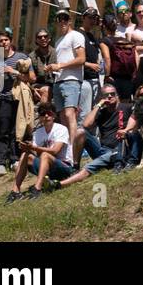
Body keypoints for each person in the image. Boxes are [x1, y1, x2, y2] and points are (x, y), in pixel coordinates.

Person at [60, 81, 133, 186]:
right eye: (106, 95)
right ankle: (75, 167)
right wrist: (99, 105)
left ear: (117, 95)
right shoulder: (101, 112)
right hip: (102, 149)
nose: (110, 97)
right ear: (102, 97)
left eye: (112, 94)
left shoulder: (126, 108)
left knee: (91, 166)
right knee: (80, 132)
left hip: (118, 151)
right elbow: (86, 124)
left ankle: (62, 183)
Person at [6, 104, 74, 202]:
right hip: (48, 167)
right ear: (40, 117)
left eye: (49, 113)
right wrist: (26, 147)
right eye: (43, 114)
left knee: (45, 155)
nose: (46, 116)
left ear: (54, 115)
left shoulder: (61, 129)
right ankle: (15, 190)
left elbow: (55, 151)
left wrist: (34, 147)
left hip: (64, 167)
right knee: (25, 155)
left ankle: (37, 188)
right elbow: (37, 154)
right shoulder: (38, 133)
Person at [46, 10, 87, 167]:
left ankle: (73, 154)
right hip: (59, 80)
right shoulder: (58, 41)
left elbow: (81, 59)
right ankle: (65, 155)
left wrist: (60, 65)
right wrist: (53, 68)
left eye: (65, 18)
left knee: (70, 115)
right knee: (63, 118)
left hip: (71, 80)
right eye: (59, 18)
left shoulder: (76, 36)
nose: (62, 21)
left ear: (70, 20)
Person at [0, 29, 30, 176]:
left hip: (19, 99)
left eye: (5, 40)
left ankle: (14, 159)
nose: (3, 43)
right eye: (0, 41)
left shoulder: (21, 57)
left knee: (17, 130)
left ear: (10, 41)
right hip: (3, 98)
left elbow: (31, 78)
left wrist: (14, 71)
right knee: (3, 131)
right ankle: (1, 162)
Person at [102, 13, 138, 104]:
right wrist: (134, 73)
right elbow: (136, 57)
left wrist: (107, 75)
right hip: (128, 78)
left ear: (104, 26)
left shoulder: (105, 41)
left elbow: (107, 59)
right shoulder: (125, 40)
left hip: (114, 77)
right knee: (125, 104)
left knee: (114, 105)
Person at [29, 29, 55, 105]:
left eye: (45, 36)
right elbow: (30, 77)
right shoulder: (32, 56)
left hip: (55, 84)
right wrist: (33, 89)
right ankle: (44, 114)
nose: (43, 38)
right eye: (40, 37)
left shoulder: (56, 53)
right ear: (36, 40)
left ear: (49, 38)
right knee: (46, 90)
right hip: (39, 84)